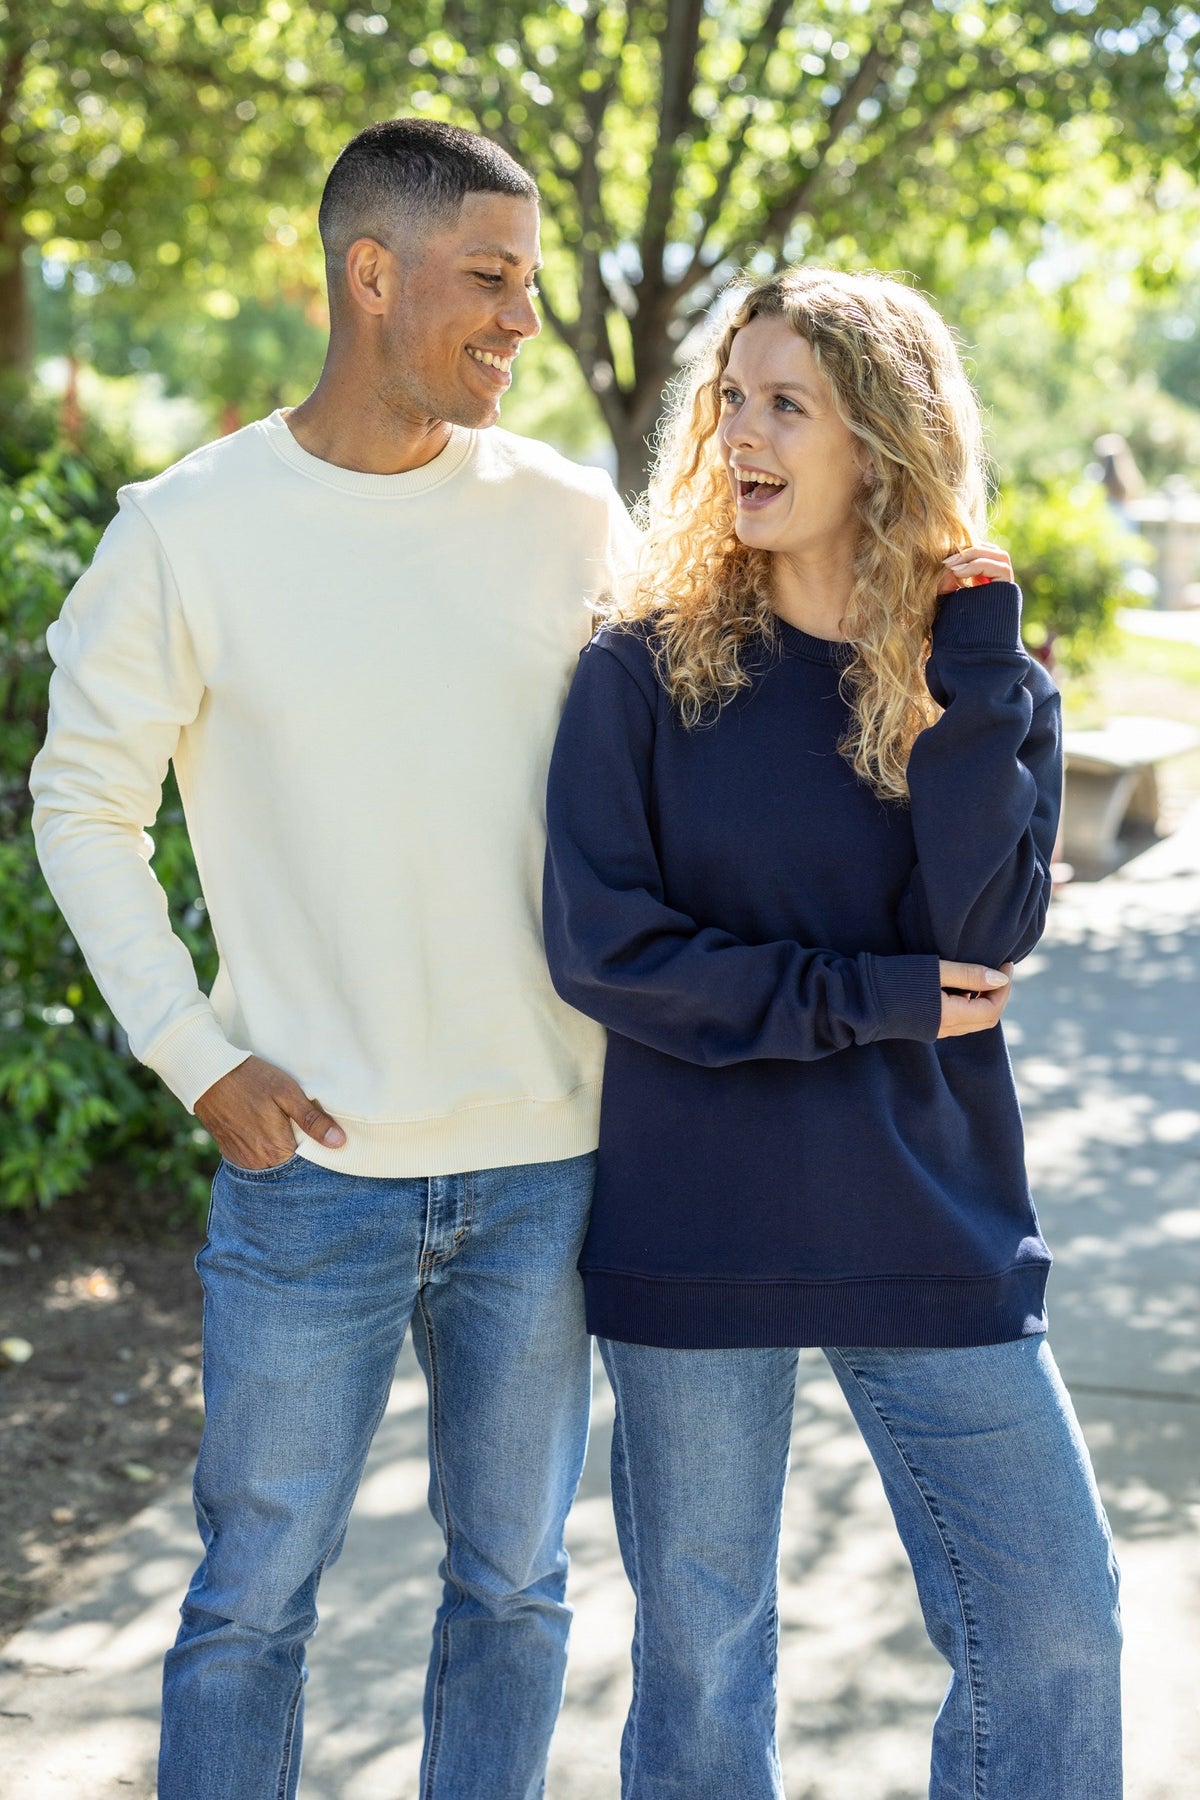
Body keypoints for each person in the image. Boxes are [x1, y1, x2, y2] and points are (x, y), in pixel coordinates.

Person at [31, 118, 635, 1800]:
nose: (524, 319)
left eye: (531, 281)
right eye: (491, 279)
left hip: (545, 1165)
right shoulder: (189, 529)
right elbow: (82, 800)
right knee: (251, 1604)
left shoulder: (572, 519)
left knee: (515, 1592)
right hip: (308, 1174)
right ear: (374, 274)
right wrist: (192, 1051)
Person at [543, 267, 1121, 1799]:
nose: (740, 432)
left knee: (1059, 1636)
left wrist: (973, 672)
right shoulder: (638, 673)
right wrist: (868, 998)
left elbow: (981, 936)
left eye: (786, 404)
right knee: (702, 1672)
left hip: (927, 1216)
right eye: (731, 398)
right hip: (697, 1226)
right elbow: (606, 951)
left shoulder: (984, 681)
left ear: (883, 441)